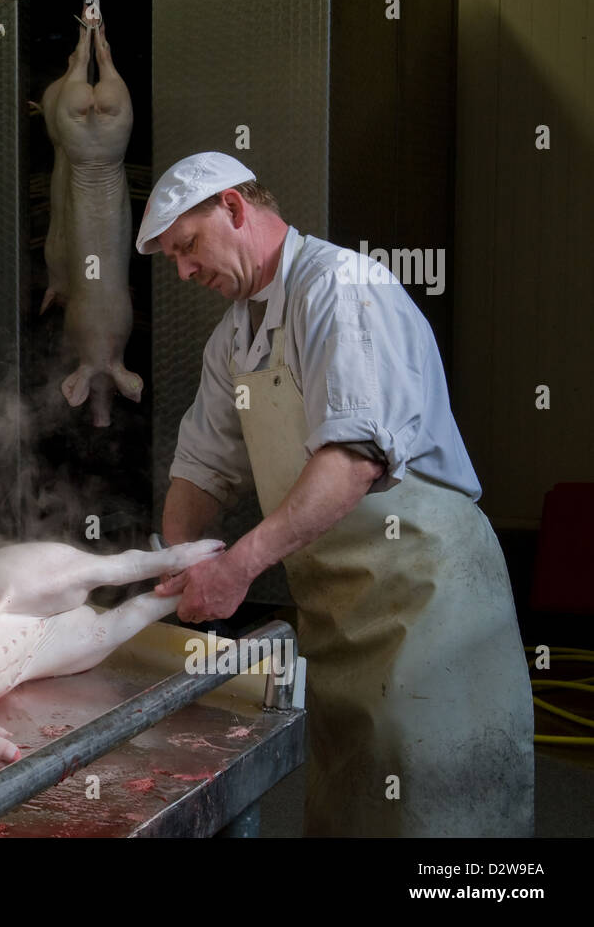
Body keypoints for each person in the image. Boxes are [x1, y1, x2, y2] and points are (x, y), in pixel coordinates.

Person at [136, 151, 534, 836]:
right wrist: (182, 557)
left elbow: (352, 462)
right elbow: (202, 468)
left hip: (424, 601)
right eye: (173, 256)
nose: (184, 271)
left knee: (436, 814)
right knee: (354, 812)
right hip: (336, 620)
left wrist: (236, 567)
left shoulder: (341, 289)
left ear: (234, 207)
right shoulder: (234, 337)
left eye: (189, 246)